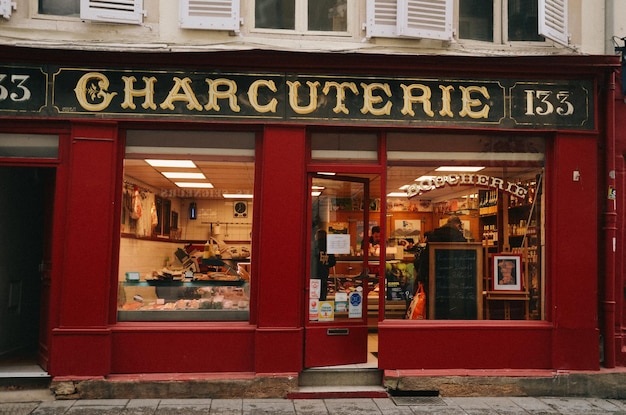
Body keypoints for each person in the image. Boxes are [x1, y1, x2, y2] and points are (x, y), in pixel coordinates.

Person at [417, 216, 467, 291]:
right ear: (457, 225)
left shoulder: (434, 235)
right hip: (455, 279)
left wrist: (421, 278)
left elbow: (425, 258)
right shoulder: (460, 239)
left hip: (434, 277)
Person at [314, 229, 336, 301]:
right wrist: (326, 264)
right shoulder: (329, 247)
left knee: (314, 295)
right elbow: (333, 262)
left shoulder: (314, 246)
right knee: (322, 295)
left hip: (315, 274)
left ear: (317, 236)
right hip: (324, 274)